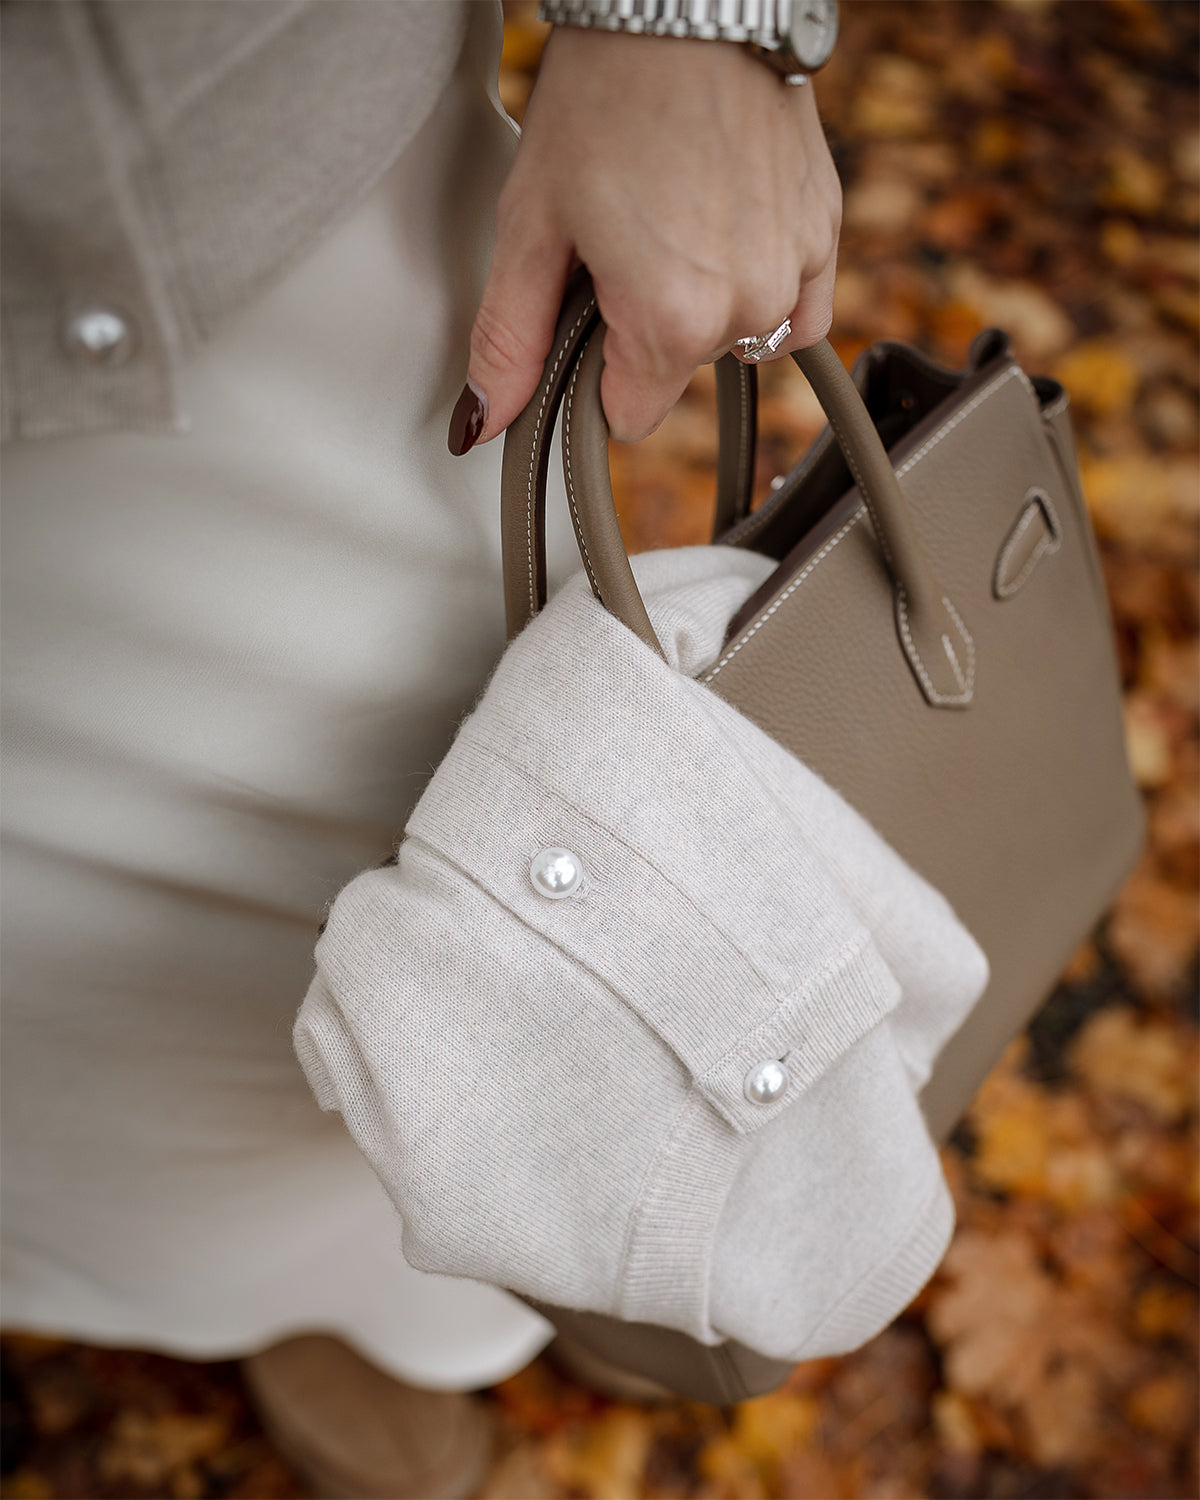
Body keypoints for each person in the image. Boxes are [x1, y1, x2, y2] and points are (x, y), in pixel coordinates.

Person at [0, 3, 841, 1496]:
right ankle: (303, 1290)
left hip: (308, 209)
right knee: (76, 1010)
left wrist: (695, 22)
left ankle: (530, 1242)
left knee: (460, 819)